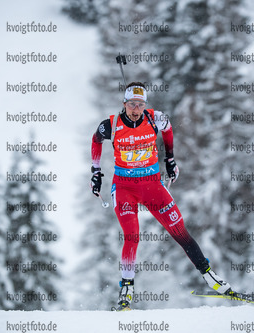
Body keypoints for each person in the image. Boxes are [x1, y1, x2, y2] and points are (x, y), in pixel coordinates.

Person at [90, 82, 231, 311]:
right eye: (132, 104)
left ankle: (209, 276)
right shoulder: (111, 125)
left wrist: (170, 158)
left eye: (140, 104)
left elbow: (168, 130)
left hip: (152, 185)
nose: (136, 109)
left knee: (179, 230)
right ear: (124, 104)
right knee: (132, 236)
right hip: (125, 188)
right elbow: (96, 140)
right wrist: (96, 172)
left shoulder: (156, 119)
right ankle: (126, 289)